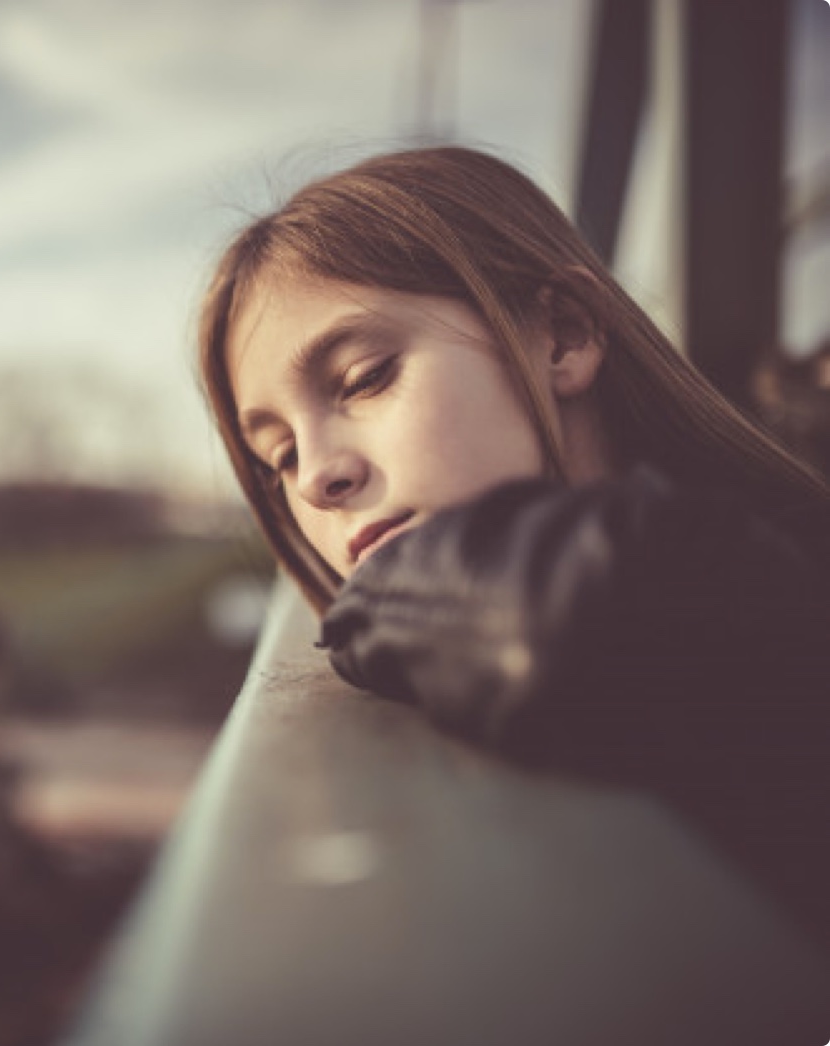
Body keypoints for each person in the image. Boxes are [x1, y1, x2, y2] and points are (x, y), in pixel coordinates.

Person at [197, 146, 830, 952]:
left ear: (562, 335)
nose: (317, 475)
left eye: (363, 378)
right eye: (279, 456)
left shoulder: (784, 577)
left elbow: (619, 612)